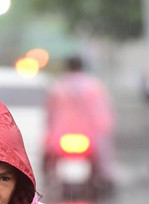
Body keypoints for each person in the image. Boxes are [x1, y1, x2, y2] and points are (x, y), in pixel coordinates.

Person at [44, 54, 116, 187]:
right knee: (103, 160)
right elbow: (103, 115)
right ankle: (105, 179)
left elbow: (50, 114)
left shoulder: (58, 87)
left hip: (61, 134)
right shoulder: (94, 86)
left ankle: (47, 177)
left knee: (48, 159)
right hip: (90, 135)